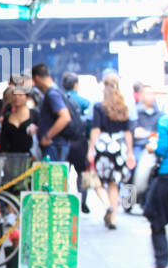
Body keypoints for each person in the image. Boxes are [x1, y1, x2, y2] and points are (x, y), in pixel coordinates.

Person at [86, 73, 136, 229]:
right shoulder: (124, 106)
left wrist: (91, 148)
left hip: (102, 145)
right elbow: (128, 132)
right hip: (119, 146)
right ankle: (113, 218)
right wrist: (129, 152)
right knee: (113, 183)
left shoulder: (99, 106)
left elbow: (96, 129)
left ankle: (107, 205)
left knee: (95, 180)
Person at [143, 82, 168, 268]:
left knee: (155, 216)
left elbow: (162, 150)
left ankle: (161, 261)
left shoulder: (166, 121)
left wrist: (151, 148)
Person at [61, 73, 92, 212]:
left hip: (64, 141)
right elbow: (91, 123)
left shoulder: (60, 99)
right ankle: (83, 200)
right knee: (83, 173)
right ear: (76, 85)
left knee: (63, 172)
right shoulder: (85, 102)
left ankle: (61, 199)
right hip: (81, 142)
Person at [32, 63, 73, 161]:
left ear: (37, 78)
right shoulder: (54, 92)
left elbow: (65, 117)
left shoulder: (52, 94)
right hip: (56, 145)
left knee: (54, 176)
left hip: (55, 146)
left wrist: (47, 136)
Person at [0, 80, 35, 154]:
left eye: (20, 95)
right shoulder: (7, 116)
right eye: (14, 95)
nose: (17, 97)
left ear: (26, 97)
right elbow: (3, 140)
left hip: (30, 155)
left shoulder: (34, 114)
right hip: (11, 156)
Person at [131, 82, 162, 156]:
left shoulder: (160, 114)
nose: (151, 96)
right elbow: (135, 133)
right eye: (148, 93)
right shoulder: (135, 112)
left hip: (155, 147)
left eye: (152, 93)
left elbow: (161, 134)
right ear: (141, 95)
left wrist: (148, 134)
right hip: (138, 147)